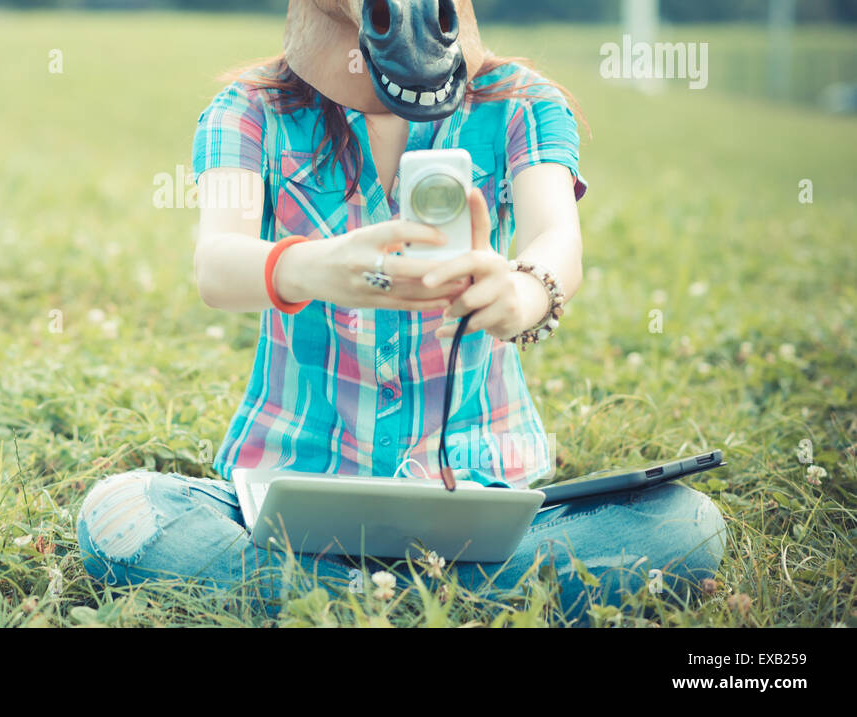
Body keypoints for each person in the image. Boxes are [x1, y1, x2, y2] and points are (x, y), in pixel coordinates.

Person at [75, 56, 727, 624]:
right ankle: (447, 604)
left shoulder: (519, 103)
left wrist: (523, 294)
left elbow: (558, 242)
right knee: (121, 512)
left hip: (483, 491)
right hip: (288, 495)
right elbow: (216, 265)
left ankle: (335, 605)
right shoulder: (252, 107)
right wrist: (315, 267)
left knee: (685, 524)